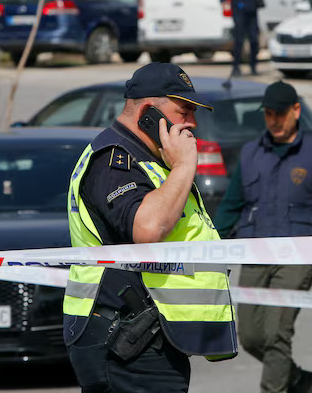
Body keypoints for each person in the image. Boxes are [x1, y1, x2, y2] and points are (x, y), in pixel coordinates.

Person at [63, 63, 237, 393]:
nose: (193, 124)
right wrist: (185, 165)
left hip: (145, 337)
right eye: (184, 111)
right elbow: (148, 228)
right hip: (122, 338)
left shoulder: (149, 161)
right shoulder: (114, 160)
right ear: (148, 112)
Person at [214, 81, 312, 393]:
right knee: (249, 335)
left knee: (276, 333)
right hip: (256, 254)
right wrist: (208, 252)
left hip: (298, 258)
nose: (274, 120)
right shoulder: (251, 153)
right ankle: (299, 380)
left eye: (280, 114)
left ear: (296, 111)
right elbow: (231, 206)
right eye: (269, 114)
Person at [220, 0, 271, 76]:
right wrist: (224, 4)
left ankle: (253, 67)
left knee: (254, 40)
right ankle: (236, 68)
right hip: (239, 13)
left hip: (252, 13)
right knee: (239, 41)